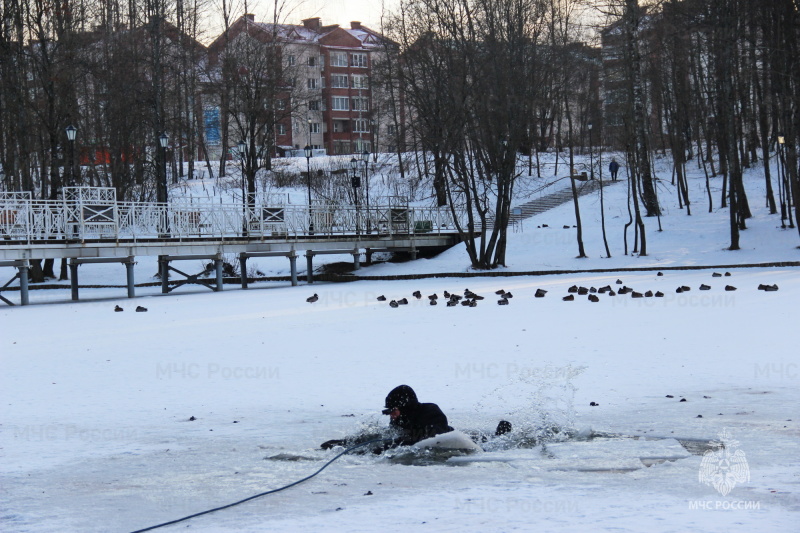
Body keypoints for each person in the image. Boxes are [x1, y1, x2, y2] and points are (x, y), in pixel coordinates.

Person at [321, 385, 453, 451]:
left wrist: (389, 446)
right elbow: (383, 437)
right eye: (389, 411)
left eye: (393, 410)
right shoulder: (399, 418)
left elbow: (433, 436)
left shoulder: (430, 411)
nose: (391, 415)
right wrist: (344, 443)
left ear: (406, 407)